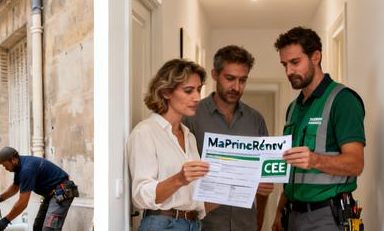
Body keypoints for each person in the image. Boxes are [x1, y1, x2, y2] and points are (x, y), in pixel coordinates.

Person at [271, 27, 365, 231]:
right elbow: (292, 168)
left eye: (295, 62)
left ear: (315, 57)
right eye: (284, 65)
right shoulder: (293, 108)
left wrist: (314, 160)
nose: (289, 71)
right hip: (292, 215)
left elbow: (356, 164)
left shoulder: (343, 101)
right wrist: (279, 212)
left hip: (327, 216)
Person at [182, 46, 275, 230]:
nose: (236, 87)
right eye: (230, 78)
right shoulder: (191, 117)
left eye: (243, 80)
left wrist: (258, 221)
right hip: (204, 225)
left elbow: (265, 177)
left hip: (245, 224)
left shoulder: (255, 120)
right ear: (215, 74)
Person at [129, 59, 216, 231]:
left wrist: (238, 185)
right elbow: (140, 195)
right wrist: (179, 178)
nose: (197, 97)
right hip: (162, 225)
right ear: (166, 92)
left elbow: (194, 201)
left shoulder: (189, 136)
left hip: (193, 224)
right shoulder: (145, 132)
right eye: (188, 91)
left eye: (198, 90)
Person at [0, 147, 78, 231]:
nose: (5, 168)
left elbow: (22, 203)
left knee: (49, 229)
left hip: (62, 193)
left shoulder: (26, 169)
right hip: (50, 195)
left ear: (13, 160)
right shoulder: (19, 166)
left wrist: (6, 220)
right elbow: (15, 187)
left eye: (5, 165)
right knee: (38, 227)